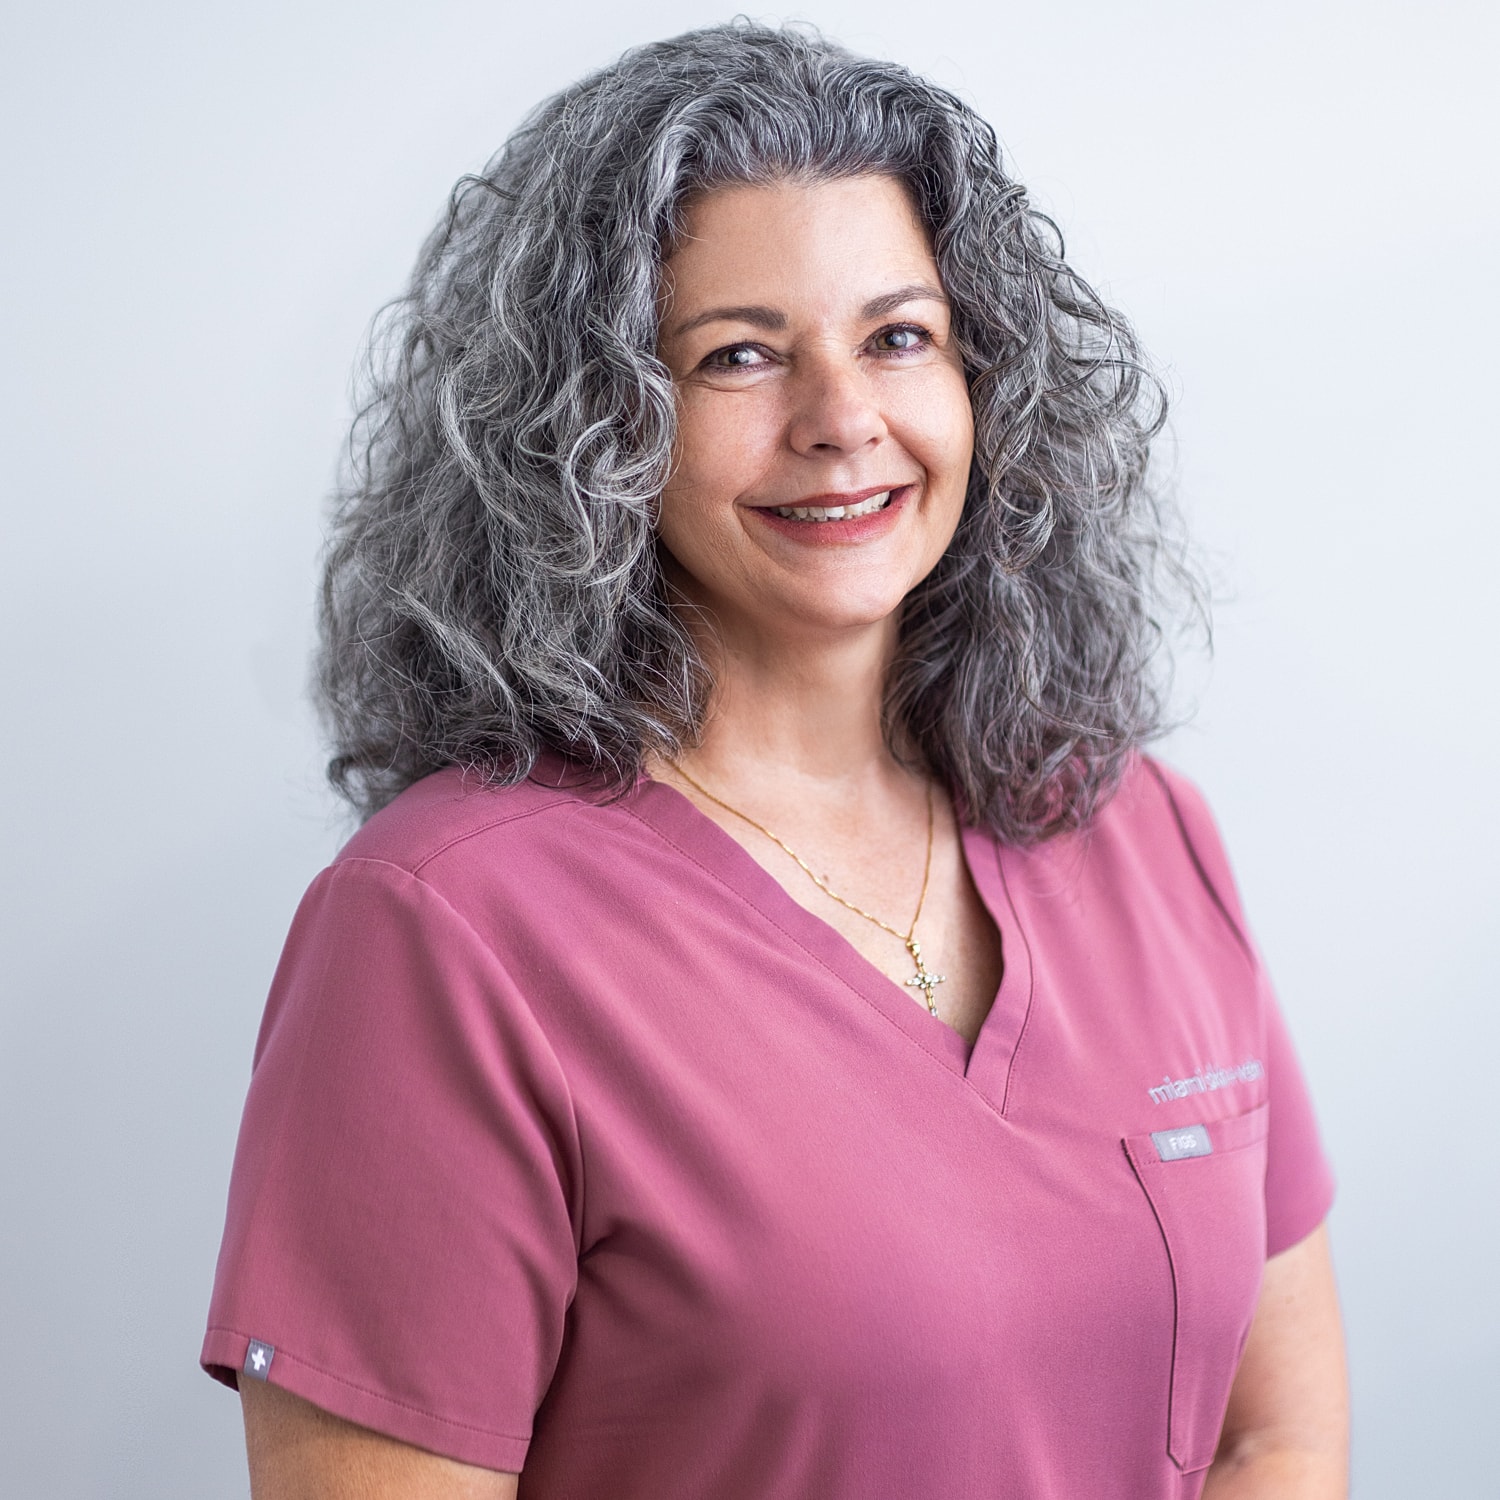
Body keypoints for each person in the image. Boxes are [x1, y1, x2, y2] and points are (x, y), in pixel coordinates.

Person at [202, 21, 1348, 1499]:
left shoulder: (1134, 828)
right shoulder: (442, 931)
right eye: (738, 355)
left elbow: (1273, 1434)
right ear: (591, 425)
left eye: (899, 337)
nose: (843, 421)